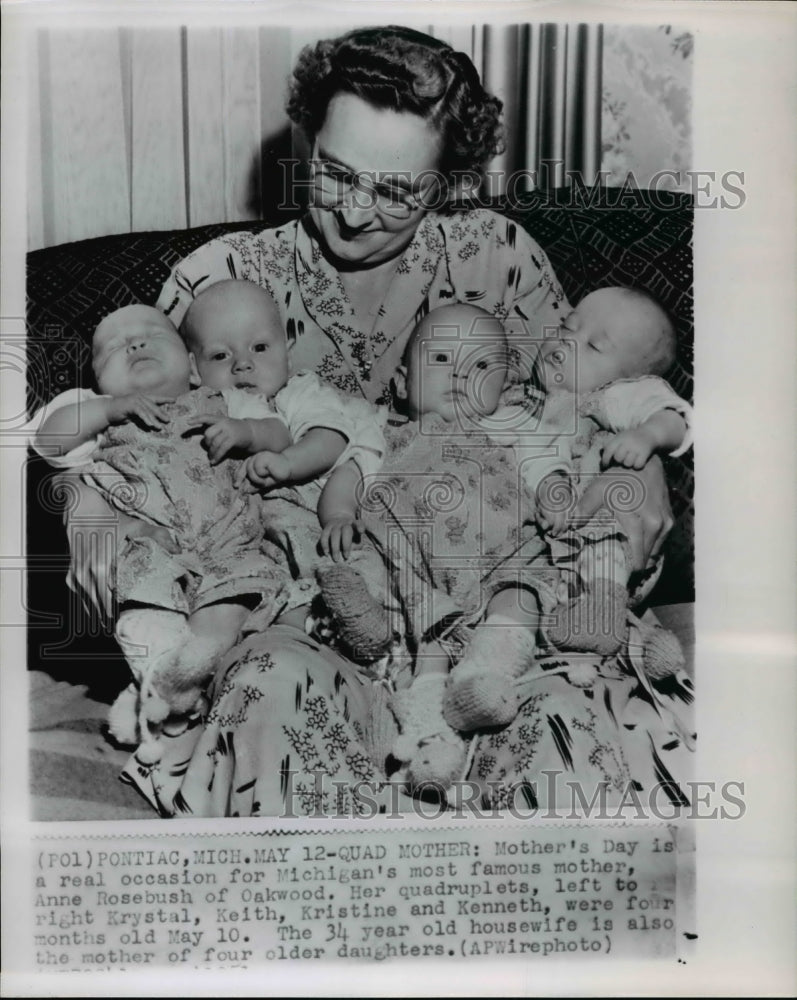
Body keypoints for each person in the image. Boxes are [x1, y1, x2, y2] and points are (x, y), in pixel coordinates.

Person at [62, 26, 683, 817]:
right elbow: (143, 437)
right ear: (305, 139)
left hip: (488, 585)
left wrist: (640, 477)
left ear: (447, 182)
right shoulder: (219, 278)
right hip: (304, 602)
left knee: (559, 743)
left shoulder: (500, 257)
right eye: (334, 173)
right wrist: (92, 512)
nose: (354, 212)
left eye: (395, 191)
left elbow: (590, 404)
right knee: (270, 695)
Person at [315, 290, 693, 791]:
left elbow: (554, 463)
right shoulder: (387, 431)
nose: (457, 376)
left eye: (477, 367)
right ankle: (430, 734)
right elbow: (349, 474)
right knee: (408, 610)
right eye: (567, 325)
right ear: (403, 383)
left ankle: (497, 670)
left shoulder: (536, 415)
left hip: (504, 558)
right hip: (416, 565)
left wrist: (622, 461)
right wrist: (340, 514)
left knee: (530, 583)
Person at [31, 285, 381, 759]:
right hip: (153, 537)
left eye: (153, 334)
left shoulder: (223, 399)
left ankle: (186, 682)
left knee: (250, 587)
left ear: (193, 368)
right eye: (113, 346)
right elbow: (48, 442)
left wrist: (245, 432)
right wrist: (108, 409)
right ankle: (161, 685)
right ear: (96, 380)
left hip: (229, 536)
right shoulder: (96, 414)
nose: (134, 344)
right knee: (142, 596)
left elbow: (278, 431)